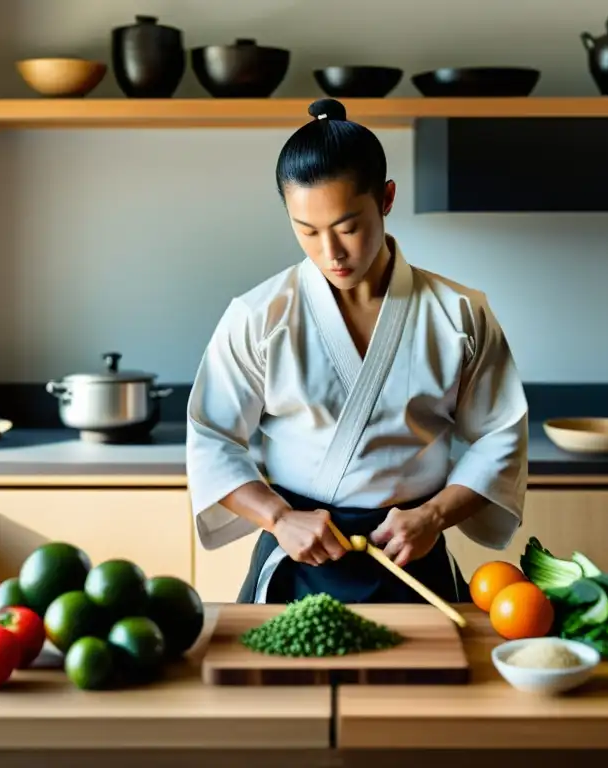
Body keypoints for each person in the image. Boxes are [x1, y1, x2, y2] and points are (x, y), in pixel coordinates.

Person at [186, 97, 528, 605]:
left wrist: (433, 516)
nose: (331, 252)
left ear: (386, 198)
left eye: (348, 227)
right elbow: (212, 438)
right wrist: (279, 517)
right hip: (299, 556)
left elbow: (500, 437)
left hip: (413, 551)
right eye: (308, 231)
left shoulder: (460, 314)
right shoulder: (259, 317)